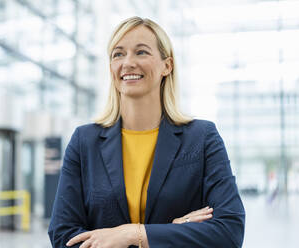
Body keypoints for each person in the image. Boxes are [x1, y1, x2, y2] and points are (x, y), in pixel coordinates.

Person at [48, 16, 245, 248]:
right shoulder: (84, 141)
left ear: (167, 65)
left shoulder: (202, 137)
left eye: (141, 52)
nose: (128, 63)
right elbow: (64, 237)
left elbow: (229, 231)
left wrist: (134, 235)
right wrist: (172, 231)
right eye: (118, 54)